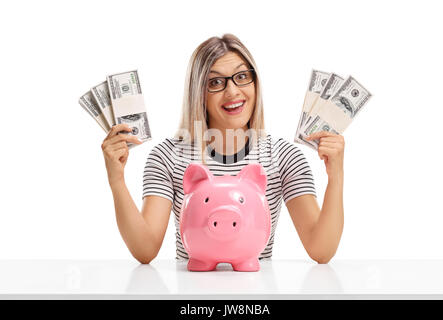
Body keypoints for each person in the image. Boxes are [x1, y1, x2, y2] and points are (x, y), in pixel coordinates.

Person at [101, 34, 345, 264]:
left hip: (257, 292)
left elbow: (321, 249)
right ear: (199, 93)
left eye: (241, 77)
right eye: (215, 82)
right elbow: (145, 250)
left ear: (255, 83)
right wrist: (116, 180)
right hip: (191, 292)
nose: (232, 91)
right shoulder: (168, 157)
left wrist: (336, 176)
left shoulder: (283, 157)